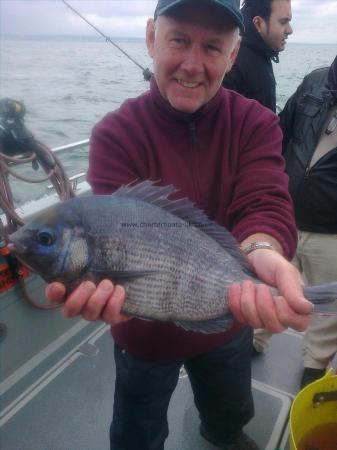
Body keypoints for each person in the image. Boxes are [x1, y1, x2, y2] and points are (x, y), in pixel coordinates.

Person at [46, 1, 313, 449]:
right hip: (143, 331)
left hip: (227, 312)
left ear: (233, 55)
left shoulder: (256, 123)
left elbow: (263, 198)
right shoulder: (116, 133)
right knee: (137, 426)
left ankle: (224, 434)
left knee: (229, 405)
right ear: (152, 38)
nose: (192, 64)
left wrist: (261, 249)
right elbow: (111, 230)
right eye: (178, 41)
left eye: (211, 47)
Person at [254, 55, 337, 388]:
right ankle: (255, 337)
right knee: (267, 284)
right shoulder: (315, 81)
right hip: (285, 215)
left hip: (332, 231)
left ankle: (314, 363)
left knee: (326, 304)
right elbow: (281, 131)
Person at [222, 0, 293, 112]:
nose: (290, 30)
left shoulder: (261, 54)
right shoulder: (236, 64)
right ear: (258, 23)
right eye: (283, 22)